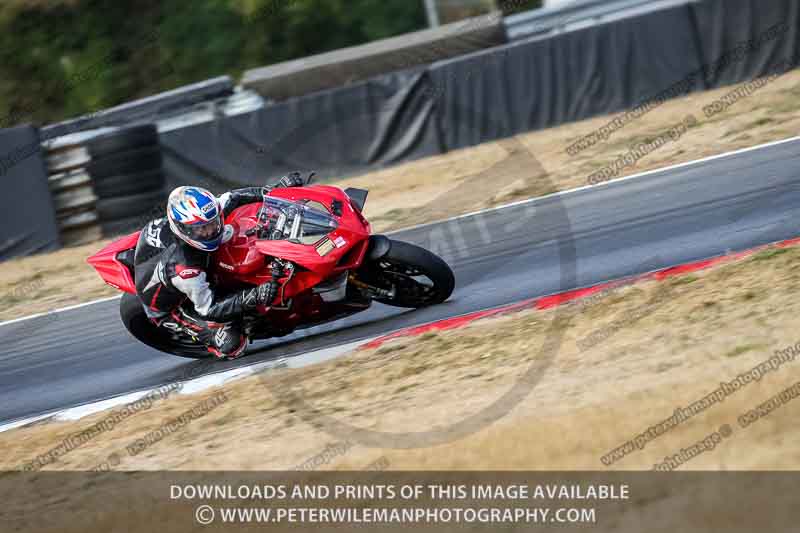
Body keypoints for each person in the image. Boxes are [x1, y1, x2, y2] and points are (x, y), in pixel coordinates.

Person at [133, 172, 310, 359]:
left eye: (213, 222)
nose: (211, 231)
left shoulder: (204, 215)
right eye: (202, 228)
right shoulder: (185, 269)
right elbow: (208, 308)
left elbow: (233, 197)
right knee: (232, 345)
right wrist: (253, 296)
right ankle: (213, 340)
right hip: (173, 306)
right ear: (183, 230)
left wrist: (275, 190)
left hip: (185, 260)